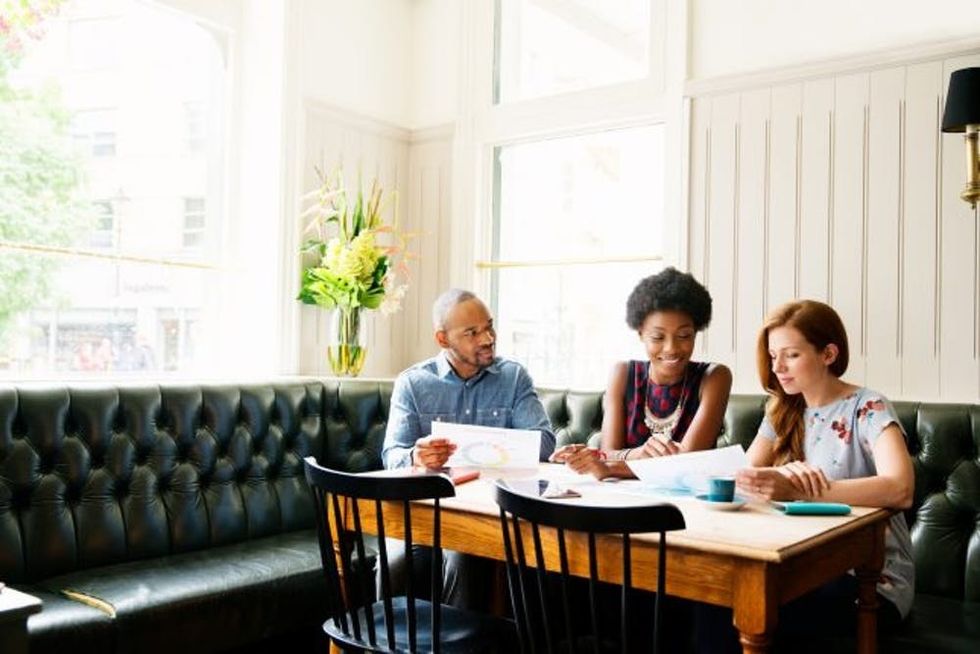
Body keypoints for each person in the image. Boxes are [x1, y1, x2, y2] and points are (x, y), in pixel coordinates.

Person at [701, 299, 915, 652]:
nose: (778, 367)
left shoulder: (868, 406)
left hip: (871, 581)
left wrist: (799, 490)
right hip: (796, 565)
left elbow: (900, 489)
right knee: (711, 597)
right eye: (773, 356)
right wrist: (777, 475)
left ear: (828, 354)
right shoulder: (781, 412)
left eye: (791, 355)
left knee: (731, 609)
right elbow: (745, 478)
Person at [380, 288, 556, 608]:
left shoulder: (513, 378)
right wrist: (415, 456)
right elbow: (392, 455)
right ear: (443, 339)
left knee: (464, 556)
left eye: (489, 326)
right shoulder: (413, 384)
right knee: (394, 564)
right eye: (472, 333)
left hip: (485, 514)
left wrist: (494, 446)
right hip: (422, 513)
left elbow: (544, 443)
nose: (488, 338)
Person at [552, 267, 732, 479]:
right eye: (657, 337)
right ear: (641, 335)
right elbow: (608, 451)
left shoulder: (715, 377)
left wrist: (611, 466)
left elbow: (686, 462)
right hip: (624, 499)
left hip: (685, 504)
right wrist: (634, 455)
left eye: (684, 335)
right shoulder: (623, 373)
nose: (671, 348)